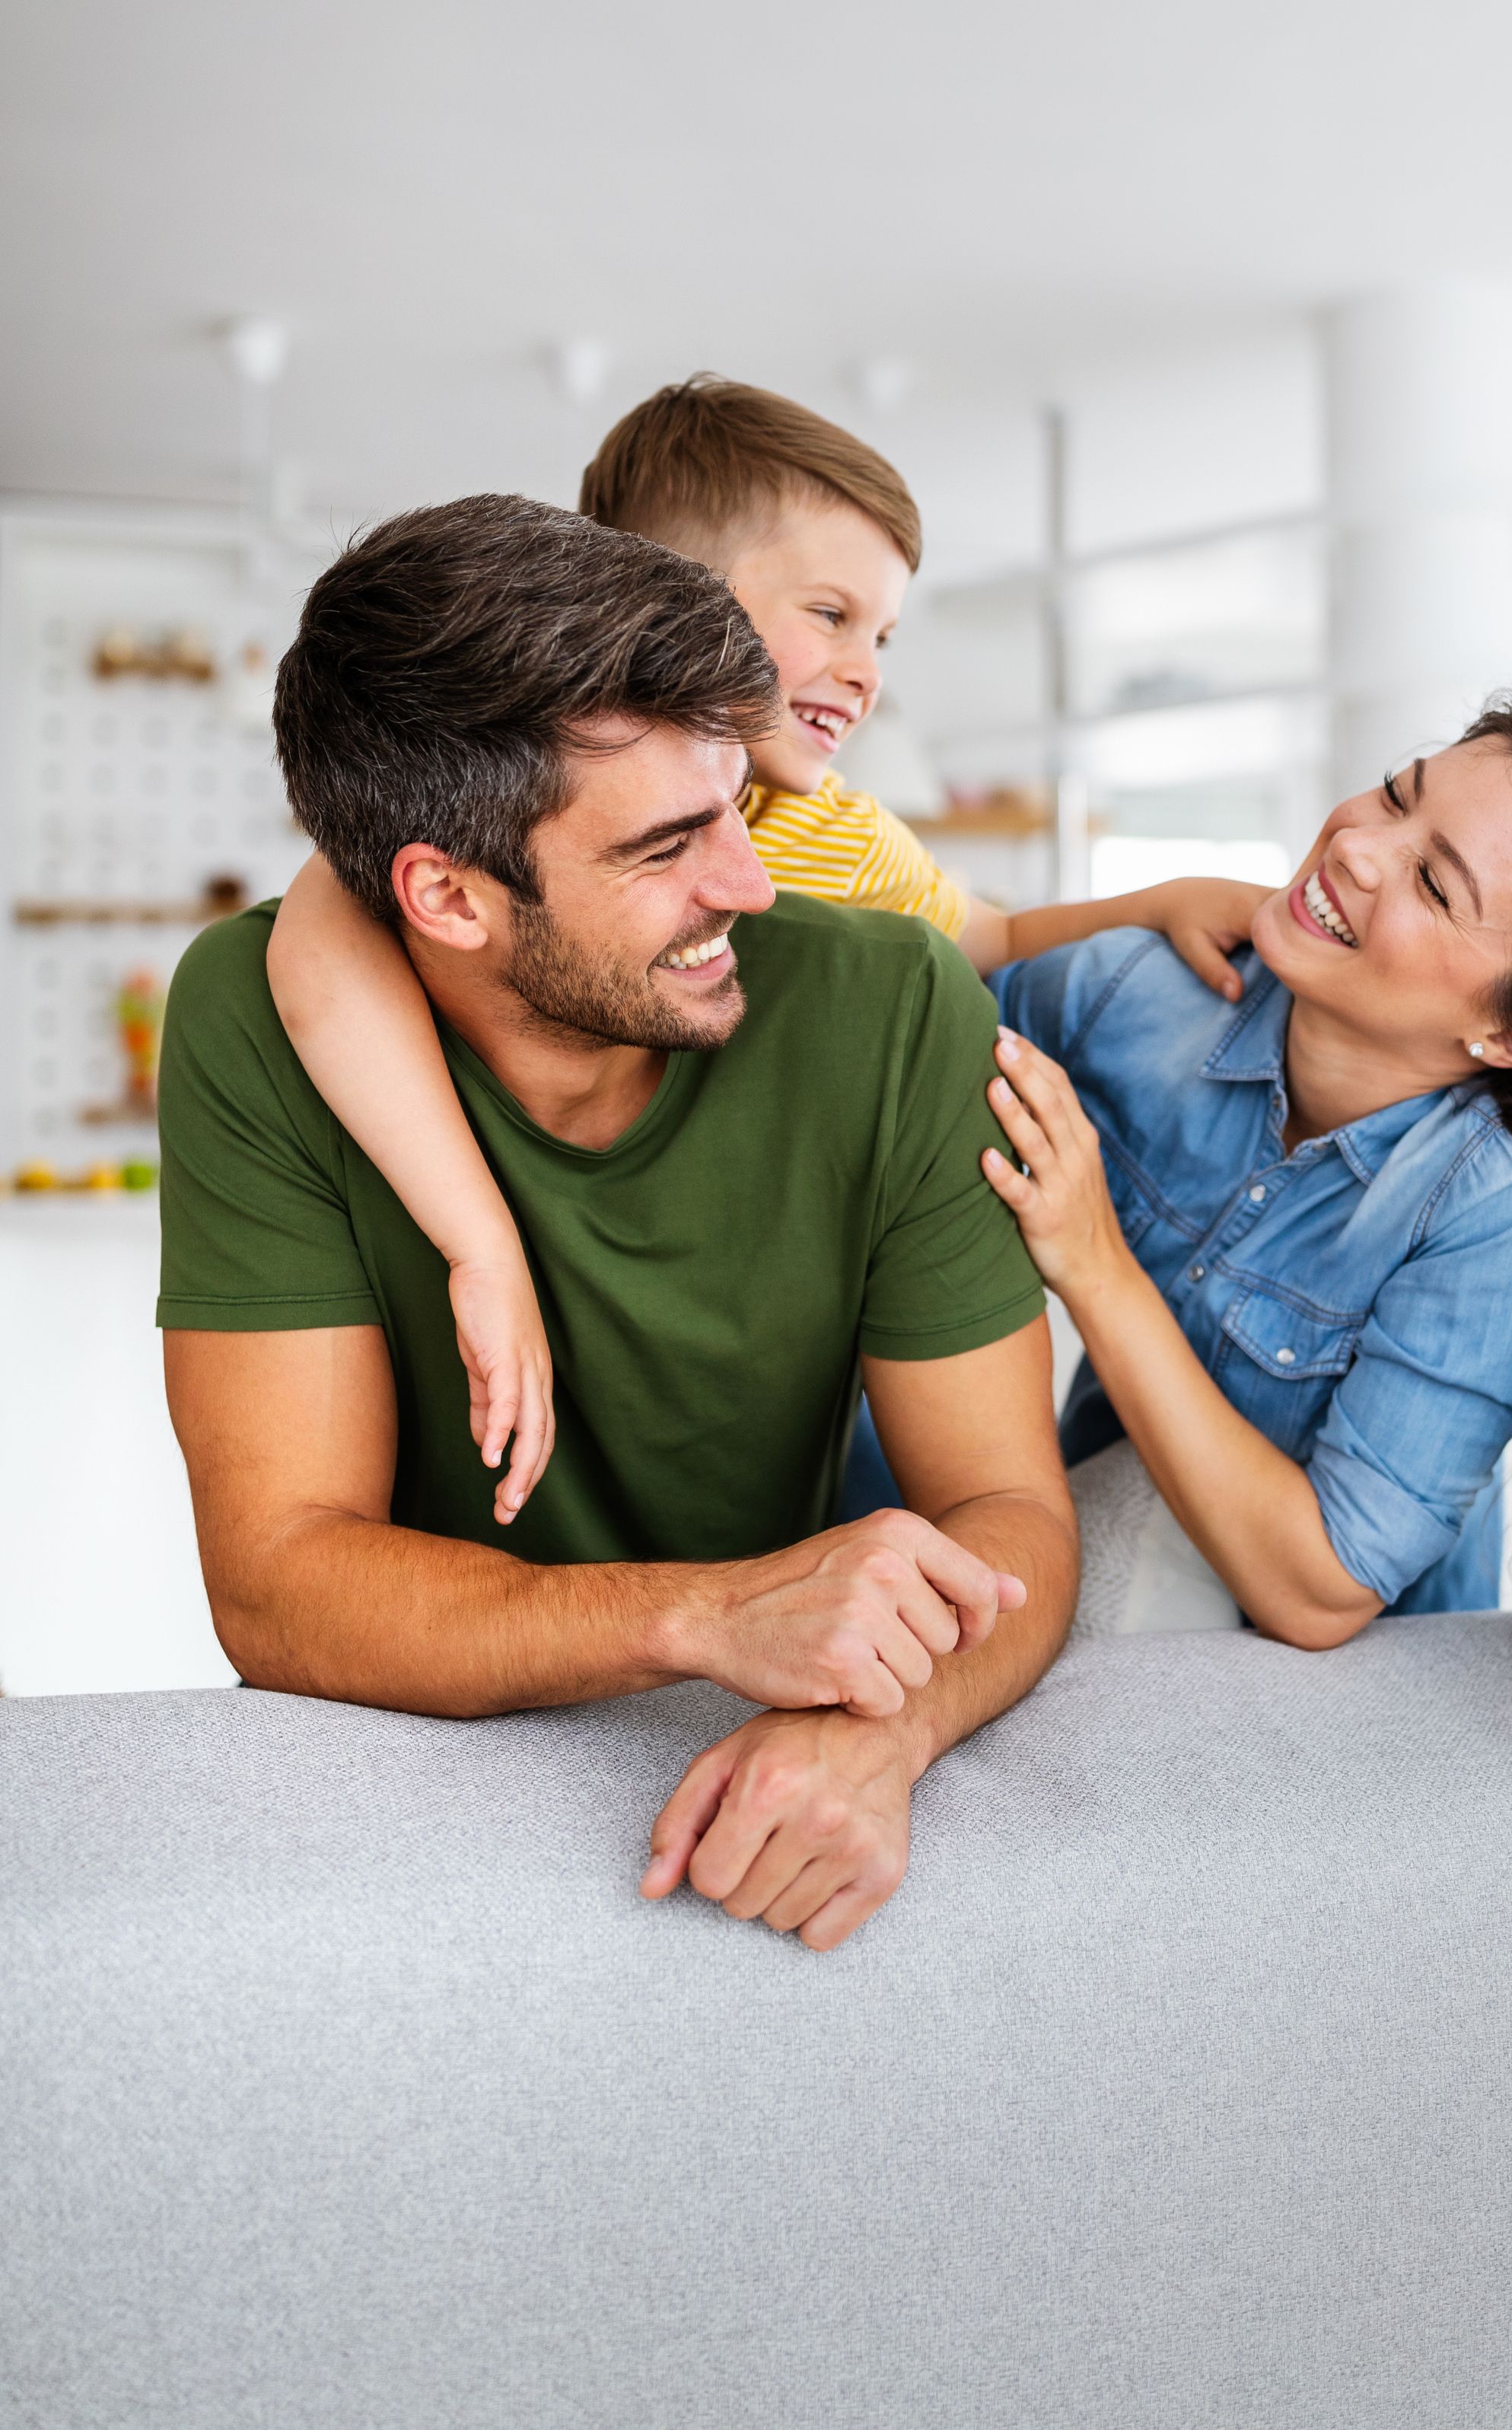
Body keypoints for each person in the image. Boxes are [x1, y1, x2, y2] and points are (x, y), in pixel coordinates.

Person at [157, 495, 1079, 1953]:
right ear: (444, 897)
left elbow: (1011, 1513)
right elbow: (277, 1588)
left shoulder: (894, 1006)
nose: (751, 881)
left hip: (751, 1774)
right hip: (418, 1799)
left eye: (736, 804)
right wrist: (706, 1619)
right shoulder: (254, 1017)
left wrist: (886, 1732)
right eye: (666, 847)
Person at [266, 374, 1262, 1511]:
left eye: (882, 633)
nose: (868, 670)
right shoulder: (492, 820)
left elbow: (990, 931)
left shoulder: (845, 836)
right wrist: (480, 1244)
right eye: (831, 616)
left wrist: (1160, 897)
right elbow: (322, 948)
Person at [982, 693, 1512, 1775]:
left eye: (1433, 882)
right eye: (1395, 794)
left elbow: (1322, 1586)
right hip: (1108, 1552)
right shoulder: (1142, 988)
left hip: (1363, 1703)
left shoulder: (1495, 1207)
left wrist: (1092, 1261)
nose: (1360, 848)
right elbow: (899, 1024)